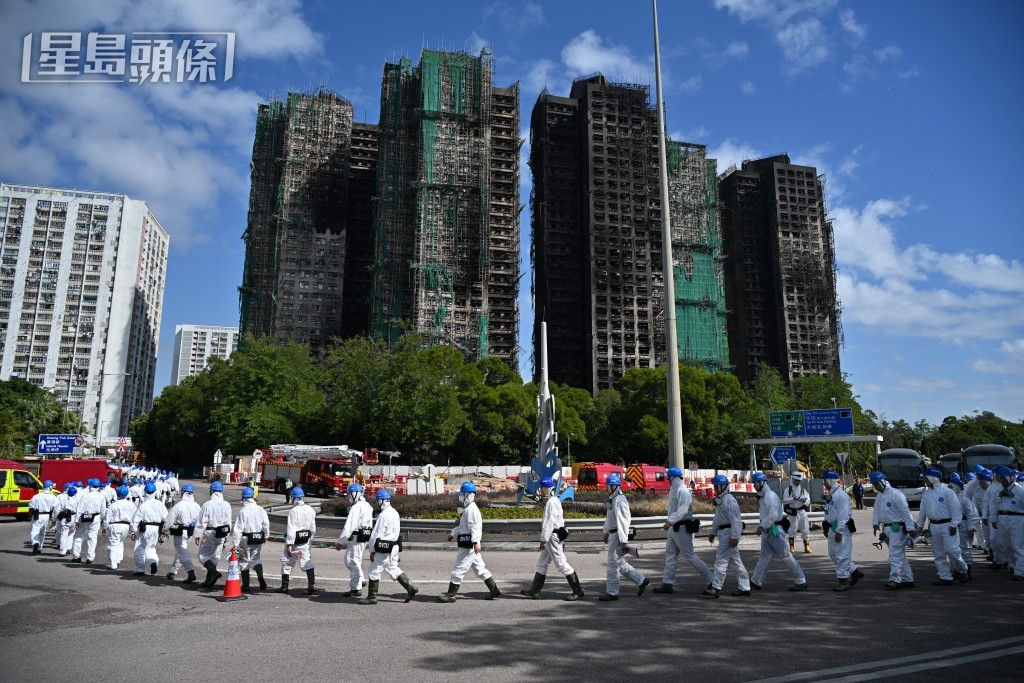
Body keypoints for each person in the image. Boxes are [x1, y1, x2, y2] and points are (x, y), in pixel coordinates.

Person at [521, 477, 585, 601]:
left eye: (541, 487)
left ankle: (578, 591)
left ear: (545, 488)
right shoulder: (554, 500)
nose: (540, 489)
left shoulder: (551, 502)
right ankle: (534, 591)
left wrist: (543, 540)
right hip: (553, 536)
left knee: (561, 563)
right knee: (542, 563)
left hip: (552, 537)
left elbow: (549, 523)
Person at [653, 467, 712, 594]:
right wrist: (671, 523)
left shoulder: (683, 491)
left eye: (669, 478)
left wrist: (670, 522)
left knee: (690, 556)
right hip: (674, 528)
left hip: (681, 527)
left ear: (673, 478)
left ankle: (712, 580)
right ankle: (667, 583)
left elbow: (682, 510)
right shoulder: (675, 491)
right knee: (670, 556)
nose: (667, 480)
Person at [439, 482, 501, 602]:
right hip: (470, 543)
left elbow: (474, 528)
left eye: (462, 494)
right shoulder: (468, 509)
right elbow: (464, 527)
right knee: (480, 569)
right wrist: (453, 533)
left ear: (468, 495)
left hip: (469, 545)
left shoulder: (471, 510)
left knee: (459, 567)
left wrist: (476, 542)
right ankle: (494, 590)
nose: (460, 496)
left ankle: (451, 595)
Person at [359, 489, 419, 605]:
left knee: (374, 571)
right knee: (393, 569)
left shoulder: (383, 515)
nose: (377, 503)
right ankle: (411, 587)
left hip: (383, 547)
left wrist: (372, 551)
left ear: (381, 501)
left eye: (377, 501)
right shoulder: (395, 513)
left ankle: (372, 597)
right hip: (394, 547)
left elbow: (375, 535)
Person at [749, 472, 808, 591]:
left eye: (754, 483)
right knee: (764, 557)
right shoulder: (763, 497)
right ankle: (756, 581)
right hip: (768, 531)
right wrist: (763, 526)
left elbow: (773, 515)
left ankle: (800, 580)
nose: (753, 486)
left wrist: (761, 526)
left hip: (774, 531)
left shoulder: (770, 496)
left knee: (786, 555)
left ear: (761, 483)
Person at [596, 474, 649, 602]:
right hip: (614, 534)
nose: (607, 488)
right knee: (620, 563)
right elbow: (611, 519)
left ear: (614, 486)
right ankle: (641, 580)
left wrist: (624, 540)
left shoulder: (619, 500)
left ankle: (612, 593)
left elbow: (624, 521)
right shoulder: (613, 499)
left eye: (609, 486)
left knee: (612, 565)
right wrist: (606, 532)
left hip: (618, 536)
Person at [916, 467, 969, 585]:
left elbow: (956, 510)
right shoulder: (926, 494)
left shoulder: (947, 492)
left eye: (926, 478)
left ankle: (962, 569)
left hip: (948, 525)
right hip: (934, 526)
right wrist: (919, 525)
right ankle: (945, 576)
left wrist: (954, 524)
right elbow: (922, 512)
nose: (925, 480)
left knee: (952, 550)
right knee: (938, 553)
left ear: (933, 478)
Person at [703, 474, 751, 598]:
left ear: (723, 486)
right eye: (714, 486)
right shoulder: (722, 500)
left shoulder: (728, 499)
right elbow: (717, 518)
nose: (715, 488)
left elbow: (736, 520)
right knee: (736, 562)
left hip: (728, 534)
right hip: (725, 533)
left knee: (721, 560)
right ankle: (745, 587)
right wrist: (713, 531)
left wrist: (735, 537)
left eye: (717, 486)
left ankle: (715, 587)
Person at [869, 470, 916, 589]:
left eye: (876, 484)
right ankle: (908, 578)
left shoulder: (896, 494)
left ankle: (895, 579)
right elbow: (876, 510)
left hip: (897, 529)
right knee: (900, 555)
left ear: (883, 481)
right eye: (874, 485)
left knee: (895, 555)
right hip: (887, 528)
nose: (875, 487)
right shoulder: (880, 496)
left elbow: (906, 512)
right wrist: (875, 524)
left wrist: (910, 528)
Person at [823, 469, 864, 591]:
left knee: (842, 555)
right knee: (833, 554)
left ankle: (843, 580)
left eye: (825, 481)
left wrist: (839, 531)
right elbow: (829, 513)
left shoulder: (841, 496)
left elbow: (843, 515)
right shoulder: (831, 494)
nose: (824, 483)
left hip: (841, 529)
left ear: (830, 481)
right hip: (832, 528)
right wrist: (827, 527)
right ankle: (854, 571)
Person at [335, 482, 373, 598]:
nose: (349, 497)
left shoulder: (356, 508)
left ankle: (356, 588)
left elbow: (349, 526)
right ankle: (360, 580)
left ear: (355, 494)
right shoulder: (368, 506)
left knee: (352, 561)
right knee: (354, 560)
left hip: (356, 537)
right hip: (364, 536)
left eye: (350, 494)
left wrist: (340, 542)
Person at [278, 487, 317, 596]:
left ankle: (284, 587)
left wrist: (289, 544)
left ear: (294, 498)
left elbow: (291, 529)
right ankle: (311, 587)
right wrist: (310, 539)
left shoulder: (293, 511)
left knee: (287, 562)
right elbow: (313, 528)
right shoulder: (310, 509)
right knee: (306, 564)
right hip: (306, 541)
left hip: (295, 542)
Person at [194, 480, 233, 588]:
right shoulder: (227, 505)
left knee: (203, 556)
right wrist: (227, 535)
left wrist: (198, 534)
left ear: (211, 491)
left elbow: (202, 521)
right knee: (215, 557)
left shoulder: (208, 504)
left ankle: (214, 574)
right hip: (222, 533)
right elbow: (229, 522)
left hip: (210, 532)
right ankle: (209, 580)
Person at [232, 486, 270, 593]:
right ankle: (260, 577)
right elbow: (266, 524)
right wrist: (265, 536)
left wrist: (235, 544)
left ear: (244, 498)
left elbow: (238, 529)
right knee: (256, 558)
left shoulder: (243, 511)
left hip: (245, 538)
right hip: (258, 538)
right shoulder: (261, 509)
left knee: (244, 561)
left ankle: (246, 585)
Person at [990, 465, 1024, 581]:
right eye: (1001, 478)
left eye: (1004, 478)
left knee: (1017, 546)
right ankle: (1013, 566)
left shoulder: (1019, 490)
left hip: (1017, 519)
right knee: (1007, 545)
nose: (1002, 480)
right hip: (1003, 519)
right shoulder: (999, 491)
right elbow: (995, 506)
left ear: (1010, 478)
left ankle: (1020, 571)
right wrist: (993, 519)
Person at [165, 483, 201, 583]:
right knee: (180, 552)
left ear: (183, 492)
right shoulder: (197, 506)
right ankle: (173, 572)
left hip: (180, 532)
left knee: (182, 552)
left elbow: (169, 520)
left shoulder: (179, 506)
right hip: (190, 532)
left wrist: (164, 530)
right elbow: (201, 520)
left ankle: (191, 572)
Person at [130, 481, 167, 576]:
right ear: (155, 492)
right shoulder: (160, 504)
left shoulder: (143, 505)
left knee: (140, 548)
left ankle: (140, 569)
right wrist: (163, 532)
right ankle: (153, 562)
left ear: (145, 492)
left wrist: (133, 532)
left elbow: (136, 520)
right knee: (151, 548)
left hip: (145, 529)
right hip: (156, 529)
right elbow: (166, 518)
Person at [949, 474, 979, 576]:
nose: (949, 489)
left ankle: (967, 571)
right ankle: (957, 569)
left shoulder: (965, 500)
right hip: (952, 525)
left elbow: (972, 515)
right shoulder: (948, 499)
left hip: (964, 525)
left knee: (965, 549)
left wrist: (971, 528)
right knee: (953, 549)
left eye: (951, 486)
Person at [72, 478, 106, 564]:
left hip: (84, 517)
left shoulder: (85, 495)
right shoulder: (101, 496)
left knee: (78, 536)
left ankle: (76, 556)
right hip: (96, 517)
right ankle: (90, 558)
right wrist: (101, 519)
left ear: (90, 486)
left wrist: (76, 521)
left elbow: (79, 508)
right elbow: (103, 510)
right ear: (98, 487)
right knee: (92, 537)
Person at [102, 485, 135, 570]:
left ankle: (112, 564)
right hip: (126, 526)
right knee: (120, 542)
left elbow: (107, 517)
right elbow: (134, 517)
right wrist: (133, 530)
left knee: (113, 544)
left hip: (115, 525)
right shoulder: (131, 505)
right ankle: (118, 560)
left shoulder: (114, 505)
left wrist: (104, 527)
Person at [783, 472, 812, 554]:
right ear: (792, 479)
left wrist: (804, 501)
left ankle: (807, 546)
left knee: (805, 529)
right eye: (796, 480)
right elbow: (785, 500)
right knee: (792, 529)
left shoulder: (803, 490)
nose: (798, 482)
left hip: (802, 511)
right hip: (793, 512)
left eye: (799, 481)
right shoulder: (788, 490)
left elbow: (808, 500)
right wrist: (793, 499)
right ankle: (792, 546)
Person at [28, 480, 57, 555]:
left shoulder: (36, 496)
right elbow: (54, 508)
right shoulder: (53, 497)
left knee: (34, 530)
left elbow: (31, 507)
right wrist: (53, 519)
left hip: (37, 515)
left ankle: (35, 543)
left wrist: (29, 516)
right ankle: (39, 548)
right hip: (46, 516)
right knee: (42, 532)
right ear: (50, 487)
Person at [51, 484, 77, 556]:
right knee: (71, 533)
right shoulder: (77, 501)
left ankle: (62, 551)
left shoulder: (64, 501)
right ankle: (68, 548)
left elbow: (56, 510)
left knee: (64, 534)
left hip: (65, 519)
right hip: (74, 518)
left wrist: (54, 519)